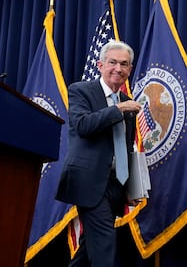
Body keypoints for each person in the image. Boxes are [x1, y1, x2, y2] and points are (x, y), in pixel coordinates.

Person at [56, 40, 141, 266]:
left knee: (89, 249)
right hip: (88, 182)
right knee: (104, 247)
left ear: (130, 70)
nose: (118, 69)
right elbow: (83, 126)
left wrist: (131, 187)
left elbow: (126, 145)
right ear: (100, 65)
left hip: (115, 185)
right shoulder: (81, 90)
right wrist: (117, 109)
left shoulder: (126, 102)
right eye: (112, 62)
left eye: (124, 64)